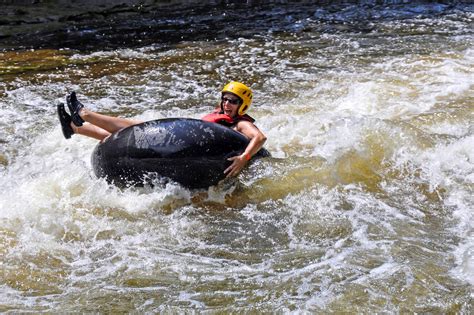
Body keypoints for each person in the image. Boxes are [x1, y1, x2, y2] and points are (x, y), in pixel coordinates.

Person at [57, 81, 267, 177]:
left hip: (209, 157)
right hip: (190, 147)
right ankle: (75, 128)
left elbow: (260, 137)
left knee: (137, 128)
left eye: (233, 101)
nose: (227, 104)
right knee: (129, 135)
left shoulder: (240, 123)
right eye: (225, 100)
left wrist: (244, 158)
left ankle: (84, 116)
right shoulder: (220, 117)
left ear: (242, 106)